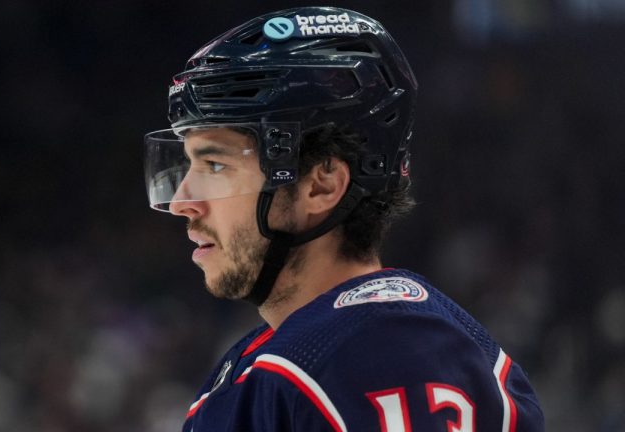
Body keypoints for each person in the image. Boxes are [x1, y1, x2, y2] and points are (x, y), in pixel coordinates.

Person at [143, 6, 544, 431]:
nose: (183, 201)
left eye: (215, 165)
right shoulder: (305, 350)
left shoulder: (374, 357)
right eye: (189, 166)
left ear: (321, 186)